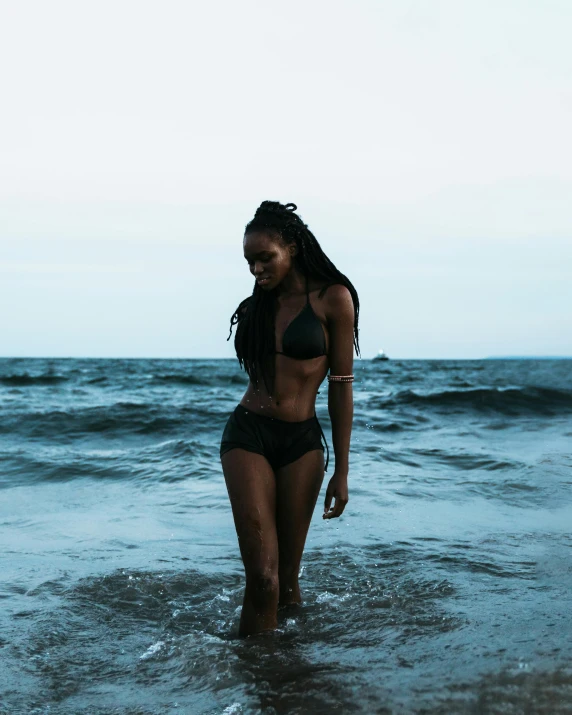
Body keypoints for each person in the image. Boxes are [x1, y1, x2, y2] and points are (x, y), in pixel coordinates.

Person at [221, 200, 360, 636]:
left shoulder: (332, 299)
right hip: (248, 435)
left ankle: (286, 680)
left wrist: (342, 468)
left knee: (287, 585)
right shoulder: (255, 306)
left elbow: (341, 385)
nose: (256, 269)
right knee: (262, 578)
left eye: (266, 258)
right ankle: (249, 674)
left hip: (302, 443)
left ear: (293, 247)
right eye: (250, 261)